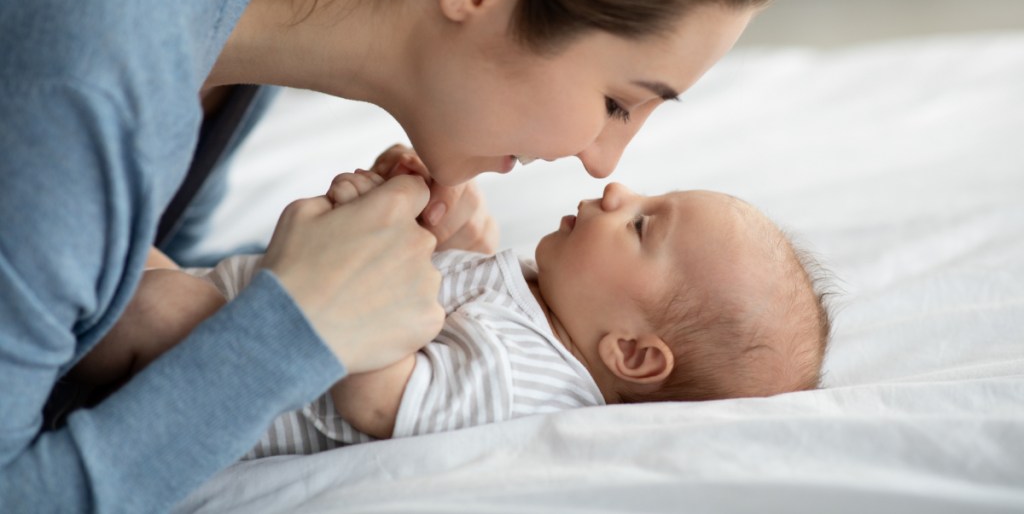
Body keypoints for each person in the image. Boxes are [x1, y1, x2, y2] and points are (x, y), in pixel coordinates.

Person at [1, 0, 794, 509]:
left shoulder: (225, 14)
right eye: (620, 101)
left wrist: (336, 272)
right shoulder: (98, 67)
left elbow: (102, 292)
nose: (604, 161)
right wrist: (297, 328)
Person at [74, 168, 832, 457]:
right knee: (124, 253)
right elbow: (450, 285)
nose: (615, 191)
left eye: (641, 226)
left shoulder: (525, 375)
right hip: (231, 300)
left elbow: (379, 400)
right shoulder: (541, 295)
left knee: (154, 302)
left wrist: (372, 258)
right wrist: (436, 227)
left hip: (225, 376)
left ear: (631, 354)